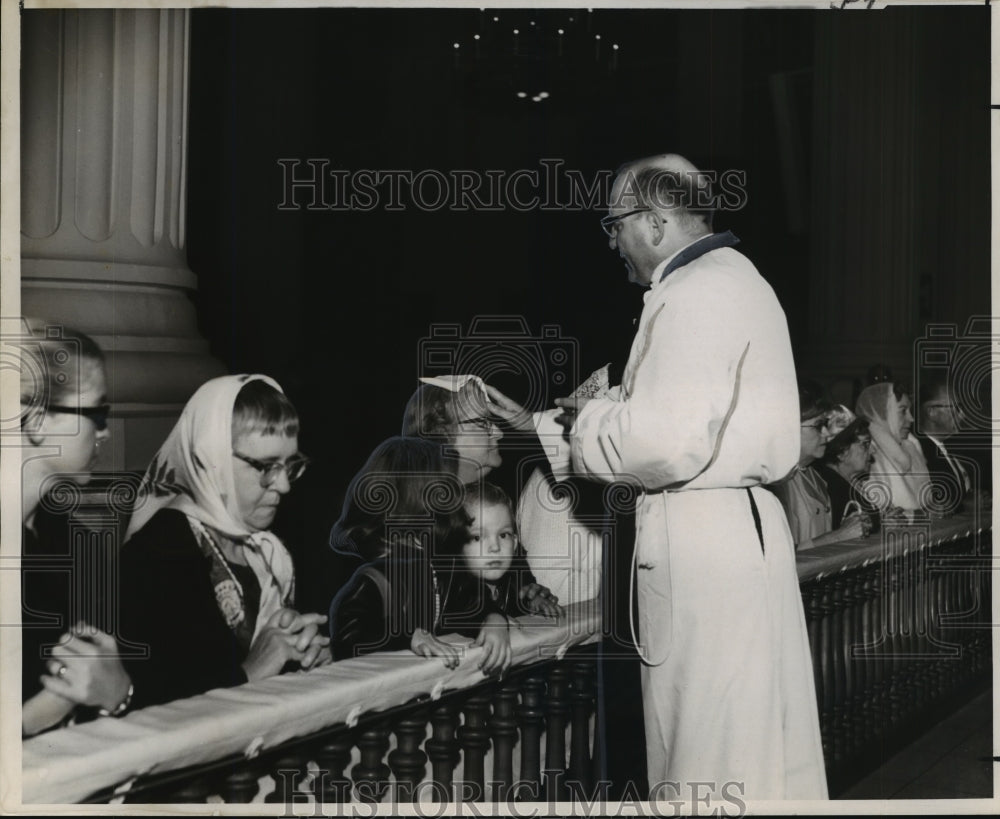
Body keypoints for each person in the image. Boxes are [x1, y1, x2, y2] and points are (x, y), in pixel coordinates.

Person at [555, 154, 827, 799]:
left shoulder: (694, 292)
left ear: (654, 222)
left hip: (702, 544)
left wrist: (589, 420)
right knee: (751, 750)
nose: (612, 241)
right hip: (738, 530)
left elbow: (665, 443)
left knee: (705, 752)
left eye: (614, 224)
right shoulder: (737, 278)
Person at [120, 375, 330, 709]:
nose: (284, 486)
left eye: (289, 466)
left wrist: (304, 656)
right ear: (210, 459)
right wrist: (250, 671)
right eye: (265, 466)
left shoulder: (269, 551)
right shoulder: (156, 555)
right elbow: (150, 701)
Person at [19, 321, 133, 736]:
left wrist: (117, 692)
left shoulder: (74, 537)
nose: (104, 431)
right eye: (97, 412)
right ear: (36, 420)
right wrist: (33, 716)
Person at [328, 436, 512, 675]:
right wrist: (407, 639)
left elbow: (469, 602)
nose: (459, 502)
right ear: (416, 502)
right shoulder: (374, 574)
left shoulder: (437, 566)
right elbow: (348, 638)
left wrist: (494, 619)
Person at [445, 482, 561, 633]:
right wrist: (490, 618)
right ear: (456, 547)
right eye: (477, 537)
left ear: (514, 543)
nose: (495, 547)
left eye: (503, 535)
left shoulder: (517, 580)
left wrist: (534, 602)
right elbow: (463, 611)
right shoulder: (451, 588)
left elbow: (526, 597)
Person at [771, 388, 868, 550]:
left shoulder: (815, 476)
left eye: (825, 424)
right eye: (818, 426)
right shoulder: (775, 482)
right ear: (790, 429)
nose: (826, 433)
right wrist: (838, 536)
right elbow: (778, 555)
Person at [916, 378, 991, 515]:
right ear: (931, 411)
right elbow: (935, 503)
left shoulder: (948, 447)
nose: (962, 414)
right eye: (956, 408)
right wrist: (964, 505)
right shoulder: (919, 453)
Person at [855, 382, 930, 514]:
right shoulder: (867, 455)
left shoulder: (911, 446)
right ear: (881, 414)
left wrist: (936, 505)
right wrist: (920, 514)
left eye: (910, 411)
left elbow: (927, 497)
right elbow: (878, 513)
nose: (911, 418)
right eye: (903, 411)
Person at [815, 413, 877, 530]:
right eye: (865, 444)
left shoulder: (851, 484)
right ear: (841, 451)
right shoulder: (830, 488)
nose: (873, 450)